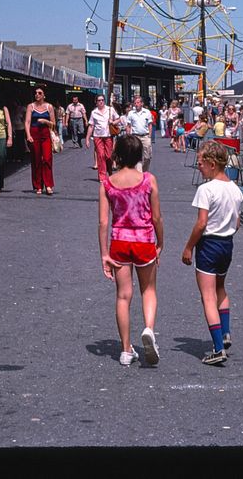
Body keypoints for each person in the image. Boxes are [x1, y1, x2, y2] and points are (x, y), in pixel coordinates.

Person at [99, 134, 165, 367]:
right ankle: (148, 329)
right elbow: (156, 217)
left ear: (117, 155)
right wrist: (160, 242)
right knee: (148, 290)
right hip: (144, 239)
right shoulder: (148, 180)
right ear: (139, 155)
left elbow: (103, 222)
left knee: (123, 296)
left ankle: (126, 350)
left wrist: (104, 254)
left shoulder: (108, 183)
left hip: (119, 241)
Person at [181, 140, 243, 366]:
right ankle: (225, 332)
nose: (199, 166)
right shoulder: (235, 189)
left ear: (211, 163)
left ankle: (218, 348)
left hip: (208, 245)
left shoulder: (205, 189)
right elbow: (237, 223)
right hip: (227, 244)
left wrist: (188, 247)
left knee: (207, 296)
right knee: (220, 288)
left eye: (200, 163)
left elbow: (201, 224)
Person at [25, 85, 57, 195]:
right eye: (36, 93)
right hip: (34, 133)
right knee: (36, 159)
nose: (37, 95)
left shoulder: (49, 107)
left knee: (47, 158)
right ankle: (38, 185)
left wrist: (45, 121)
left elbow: (53, 124)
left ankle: (48, 185)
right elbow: (27, 122)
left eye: (39, 93)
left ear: (44, 95)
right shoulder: (31, 106)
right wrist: (28, 135)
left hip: (45, 133)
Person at [85, 94, 121, 182]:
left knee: (109, 156)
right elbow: (91, 126)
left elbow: (118, 119)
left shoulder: (110, 109)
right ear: (96, 102)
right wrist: (87, 138)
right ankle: (102, 176)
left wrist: (112, 122)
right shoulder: (94, 112)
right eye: (99, 100)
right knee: (100, 156)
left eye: (102, 100)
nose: (101, 102)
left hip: (108, 136)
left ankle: (109, 171)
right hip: (98, 136)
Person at [124, 95, 155, 172]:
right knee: (137, 156)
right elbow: (128, 125)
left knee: (147, 157)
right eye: (135, 103)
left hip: (145, 136)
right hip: (135, 136)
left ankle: (144, 172)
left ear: (142, 103)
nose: (136, 104)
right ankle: (139, 174)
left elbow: (150, 124)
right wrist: (128, 137)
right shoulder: (131, 113)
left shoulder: (147, 112)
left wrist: (149, 136)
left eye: (138, 102)